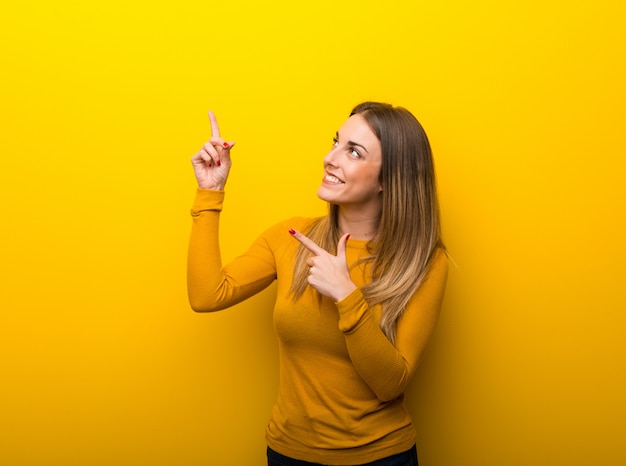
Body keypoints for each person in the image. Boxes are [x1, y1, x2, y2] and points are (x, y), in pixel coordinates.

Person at [187, 102, 448, 466]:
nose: (330, 157)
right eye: (336, 142)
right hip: (288, 454)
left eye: (353, 152)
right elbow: (207, 295)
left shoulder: (425, 262)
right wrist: (209, 194)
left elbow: (391, 384)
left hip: (381, 458)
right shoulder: (290, 236)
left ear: (390, 179)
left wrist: (346, 294)